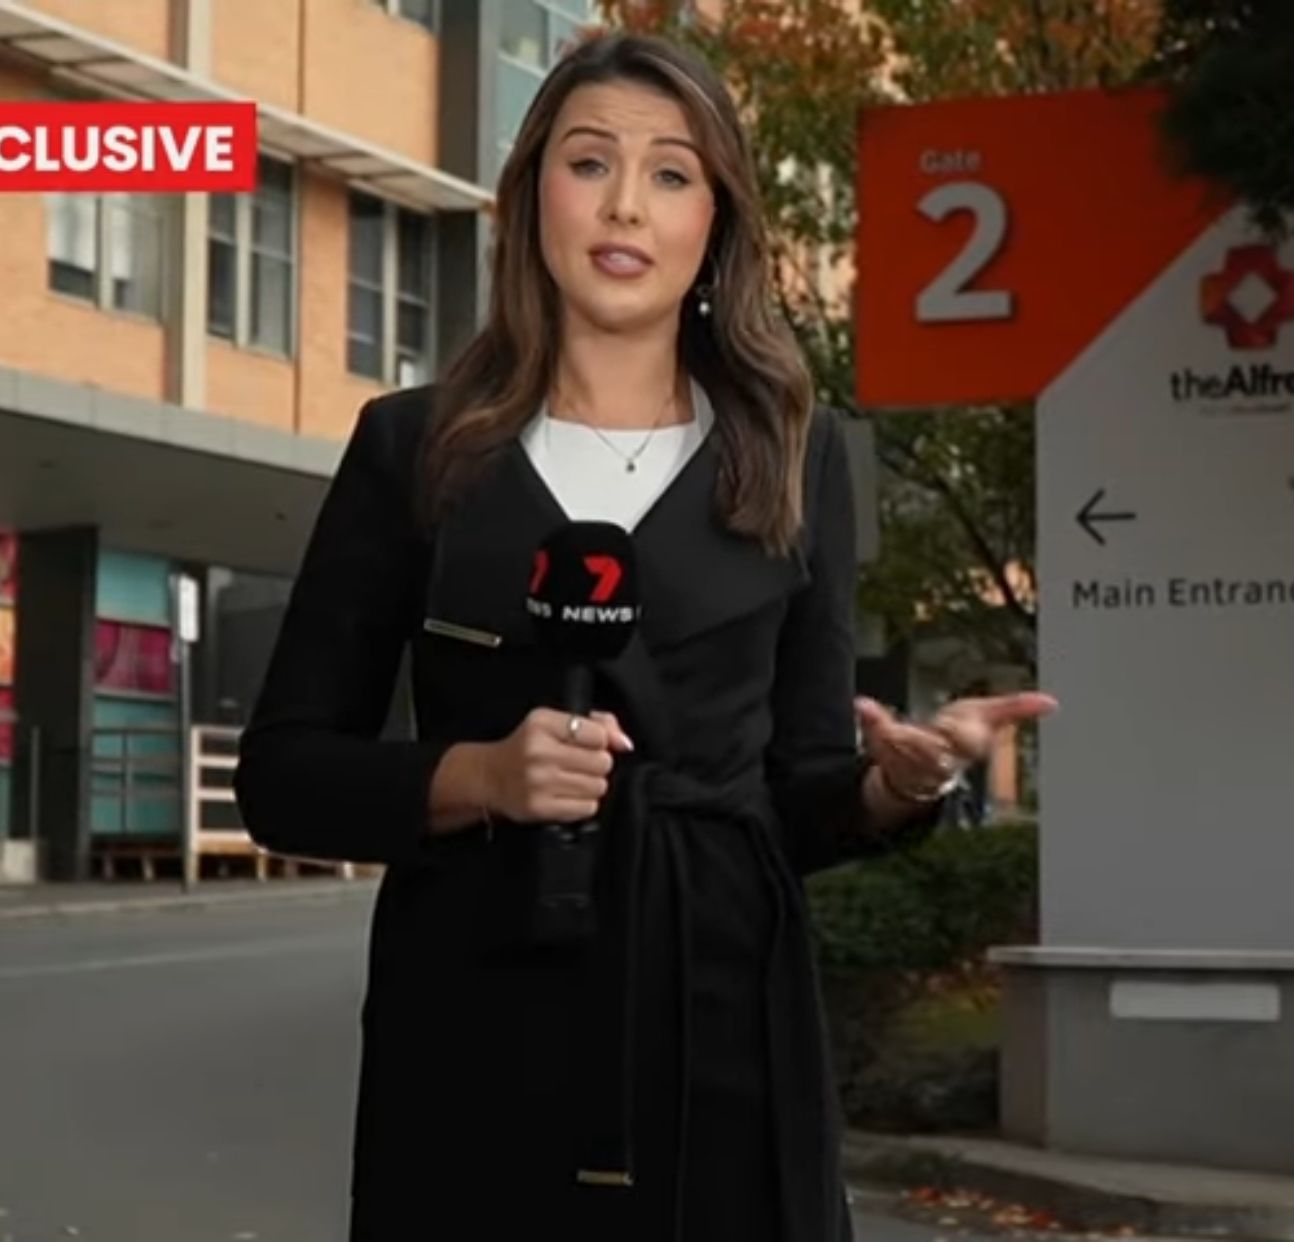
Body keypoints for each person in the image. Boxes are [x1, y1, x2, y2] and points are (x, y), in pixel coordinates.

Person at [233, 31, 1056, 1242]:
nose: (625, 205)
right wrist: (478, 777)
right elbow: (283, 776)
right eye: (589, 163)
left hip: (722, 1011)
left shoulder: (795, 459)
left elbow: (795, 798)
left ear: (715, 221)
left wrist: (896, 786)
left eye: (671, 173)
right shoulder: (416, 449)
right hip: (471, 1018)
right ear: (531, 196)